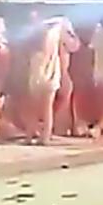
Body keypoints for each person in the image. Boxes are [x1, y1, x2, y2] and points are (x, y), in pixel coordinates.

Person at [27, 17, 78, 145]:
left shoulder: (37, 33)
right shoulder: (56, 32)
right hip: (51, 70)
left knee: (35, 106)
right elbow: (74, 46)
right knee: (46, 107)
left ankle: (32, 134)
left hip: (40, 70)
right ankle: (45, 136)